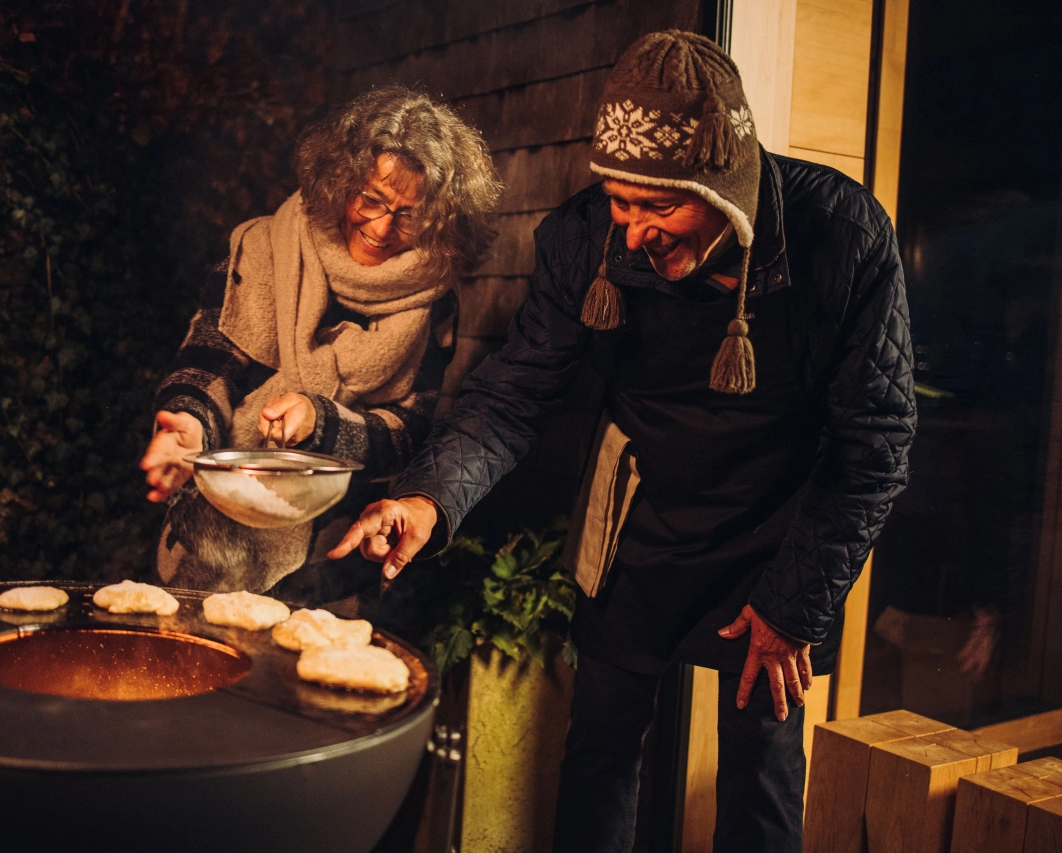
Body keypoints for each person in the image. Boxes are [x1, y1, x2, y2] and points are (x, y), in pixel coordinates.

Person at [332, 31, 916, 853]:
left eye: (660, 205)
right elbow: (513, 393)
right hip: (639, 516)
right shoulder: (583, 238)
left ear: (725, 188)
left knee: (763, 773)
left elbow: (876, 443)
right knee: (598, 749)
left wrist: (796, 605)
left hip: (778, 532)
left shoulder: (840, 234)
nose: (634, 230)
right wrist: (429, 495)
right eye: (620, 200)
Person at [141, 86, 500, 609]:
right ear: (341, 182)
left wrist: (321, 422)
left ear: (441, 217)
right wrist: (186, 422)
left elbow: (408, 433)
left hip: (335, 562)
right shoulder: (264, 247)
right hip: (214, 543)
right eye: (371, 200)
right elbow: (210, 359)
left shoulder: (434, 303)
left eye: (407, 214)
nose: (380, 228)